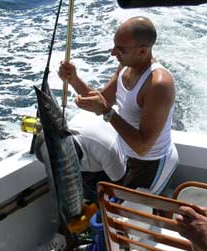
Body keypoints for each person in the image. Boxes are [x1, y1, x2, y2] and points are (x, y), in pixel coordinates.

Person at [59, 16, 178, 196]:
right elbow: (103, 99)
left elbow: (143, 147)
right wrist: (73, 79)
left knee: (127, 218)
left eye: (120, 49)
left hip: (151, 163)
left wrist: (107, 113)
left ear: (143, 51)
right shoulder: (125, 67)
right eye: (114, 46)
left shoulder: (158, 84)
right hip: (127, 155)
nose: (113, 53)